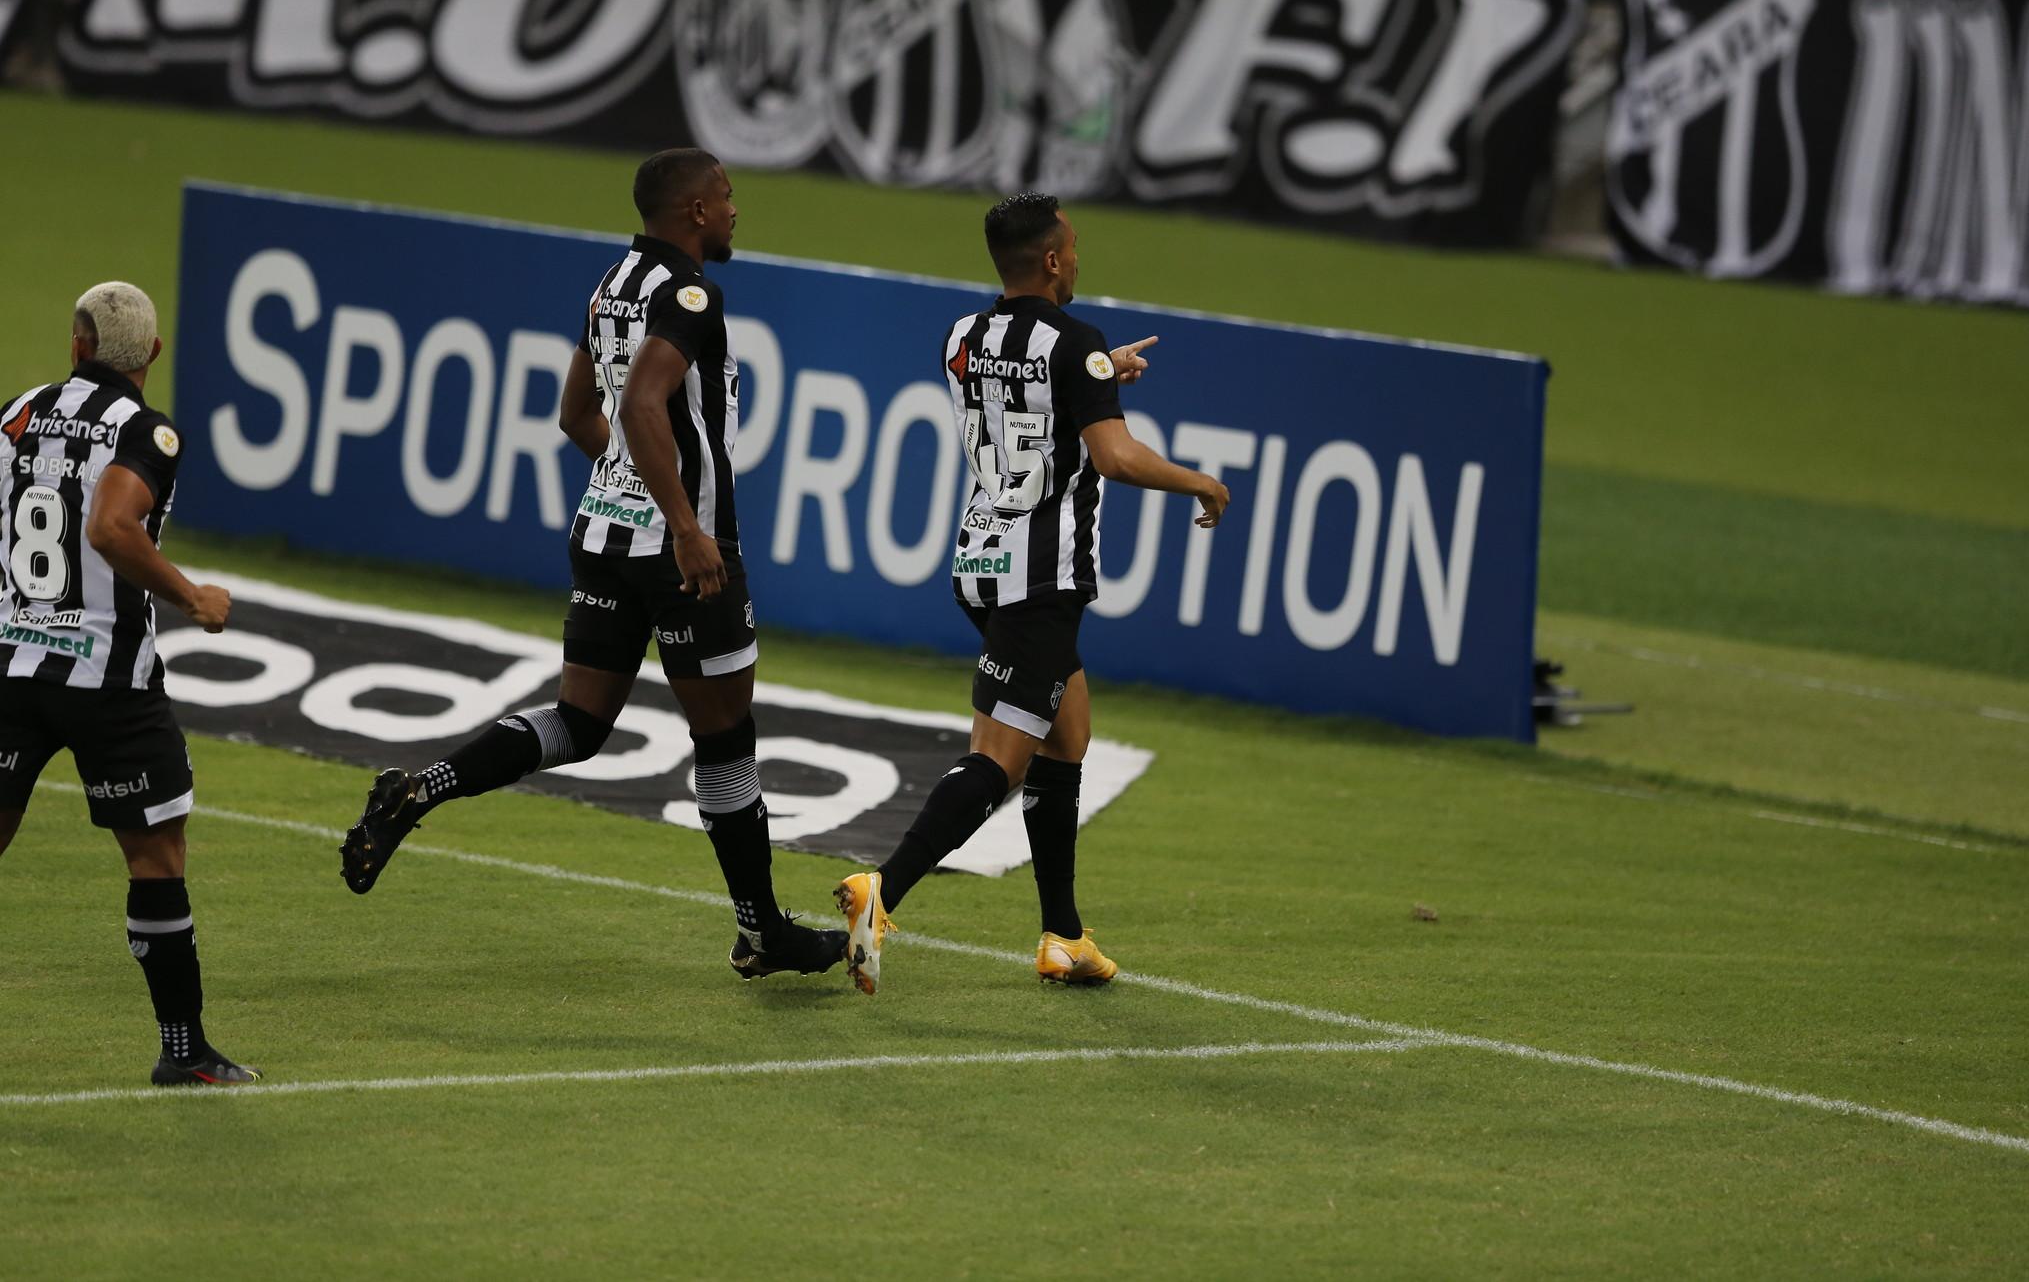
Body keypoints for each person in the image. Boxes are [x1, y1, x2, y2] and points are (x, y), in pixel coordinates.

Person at [340, 148, 846, 981]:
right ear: (692, 211)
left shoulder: (611, 283)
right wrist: (683, 524)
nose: (733, 211)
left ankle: (418, 789)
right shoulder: (689, 294)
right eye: (725, 198)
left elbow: (578, 413)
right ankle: (762, 932)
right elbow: (644, 403)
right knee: (726, 740)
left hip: (604, 533)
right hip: (683, 553)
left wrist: (628, 486)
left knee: (579, 722)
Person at [834, 193, 1229, 994]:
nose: (1079, 257)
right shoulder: (1073, 343)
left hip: (978, 562)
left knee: (1067, 735)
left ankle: (1063, 934)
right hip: (1039, 579)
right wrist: (1199, 481)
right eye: (1073, 247)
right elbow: (1113, 458)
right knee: (998, 761)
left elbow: (1019, 393)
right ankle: (882, 889)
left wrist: (1097, 371)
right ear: (1051, 259)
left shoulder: (961, 336)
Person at [0, 281, 259, 1084]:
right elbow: (111, 526)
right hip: (109, 679)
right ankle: (182, 1050)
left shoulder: (16, 412)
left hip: (11, 661)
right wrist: (192, 597)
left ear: (76, 344)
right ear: (150, 354)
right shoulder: (148, 431)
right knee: (156, 856)